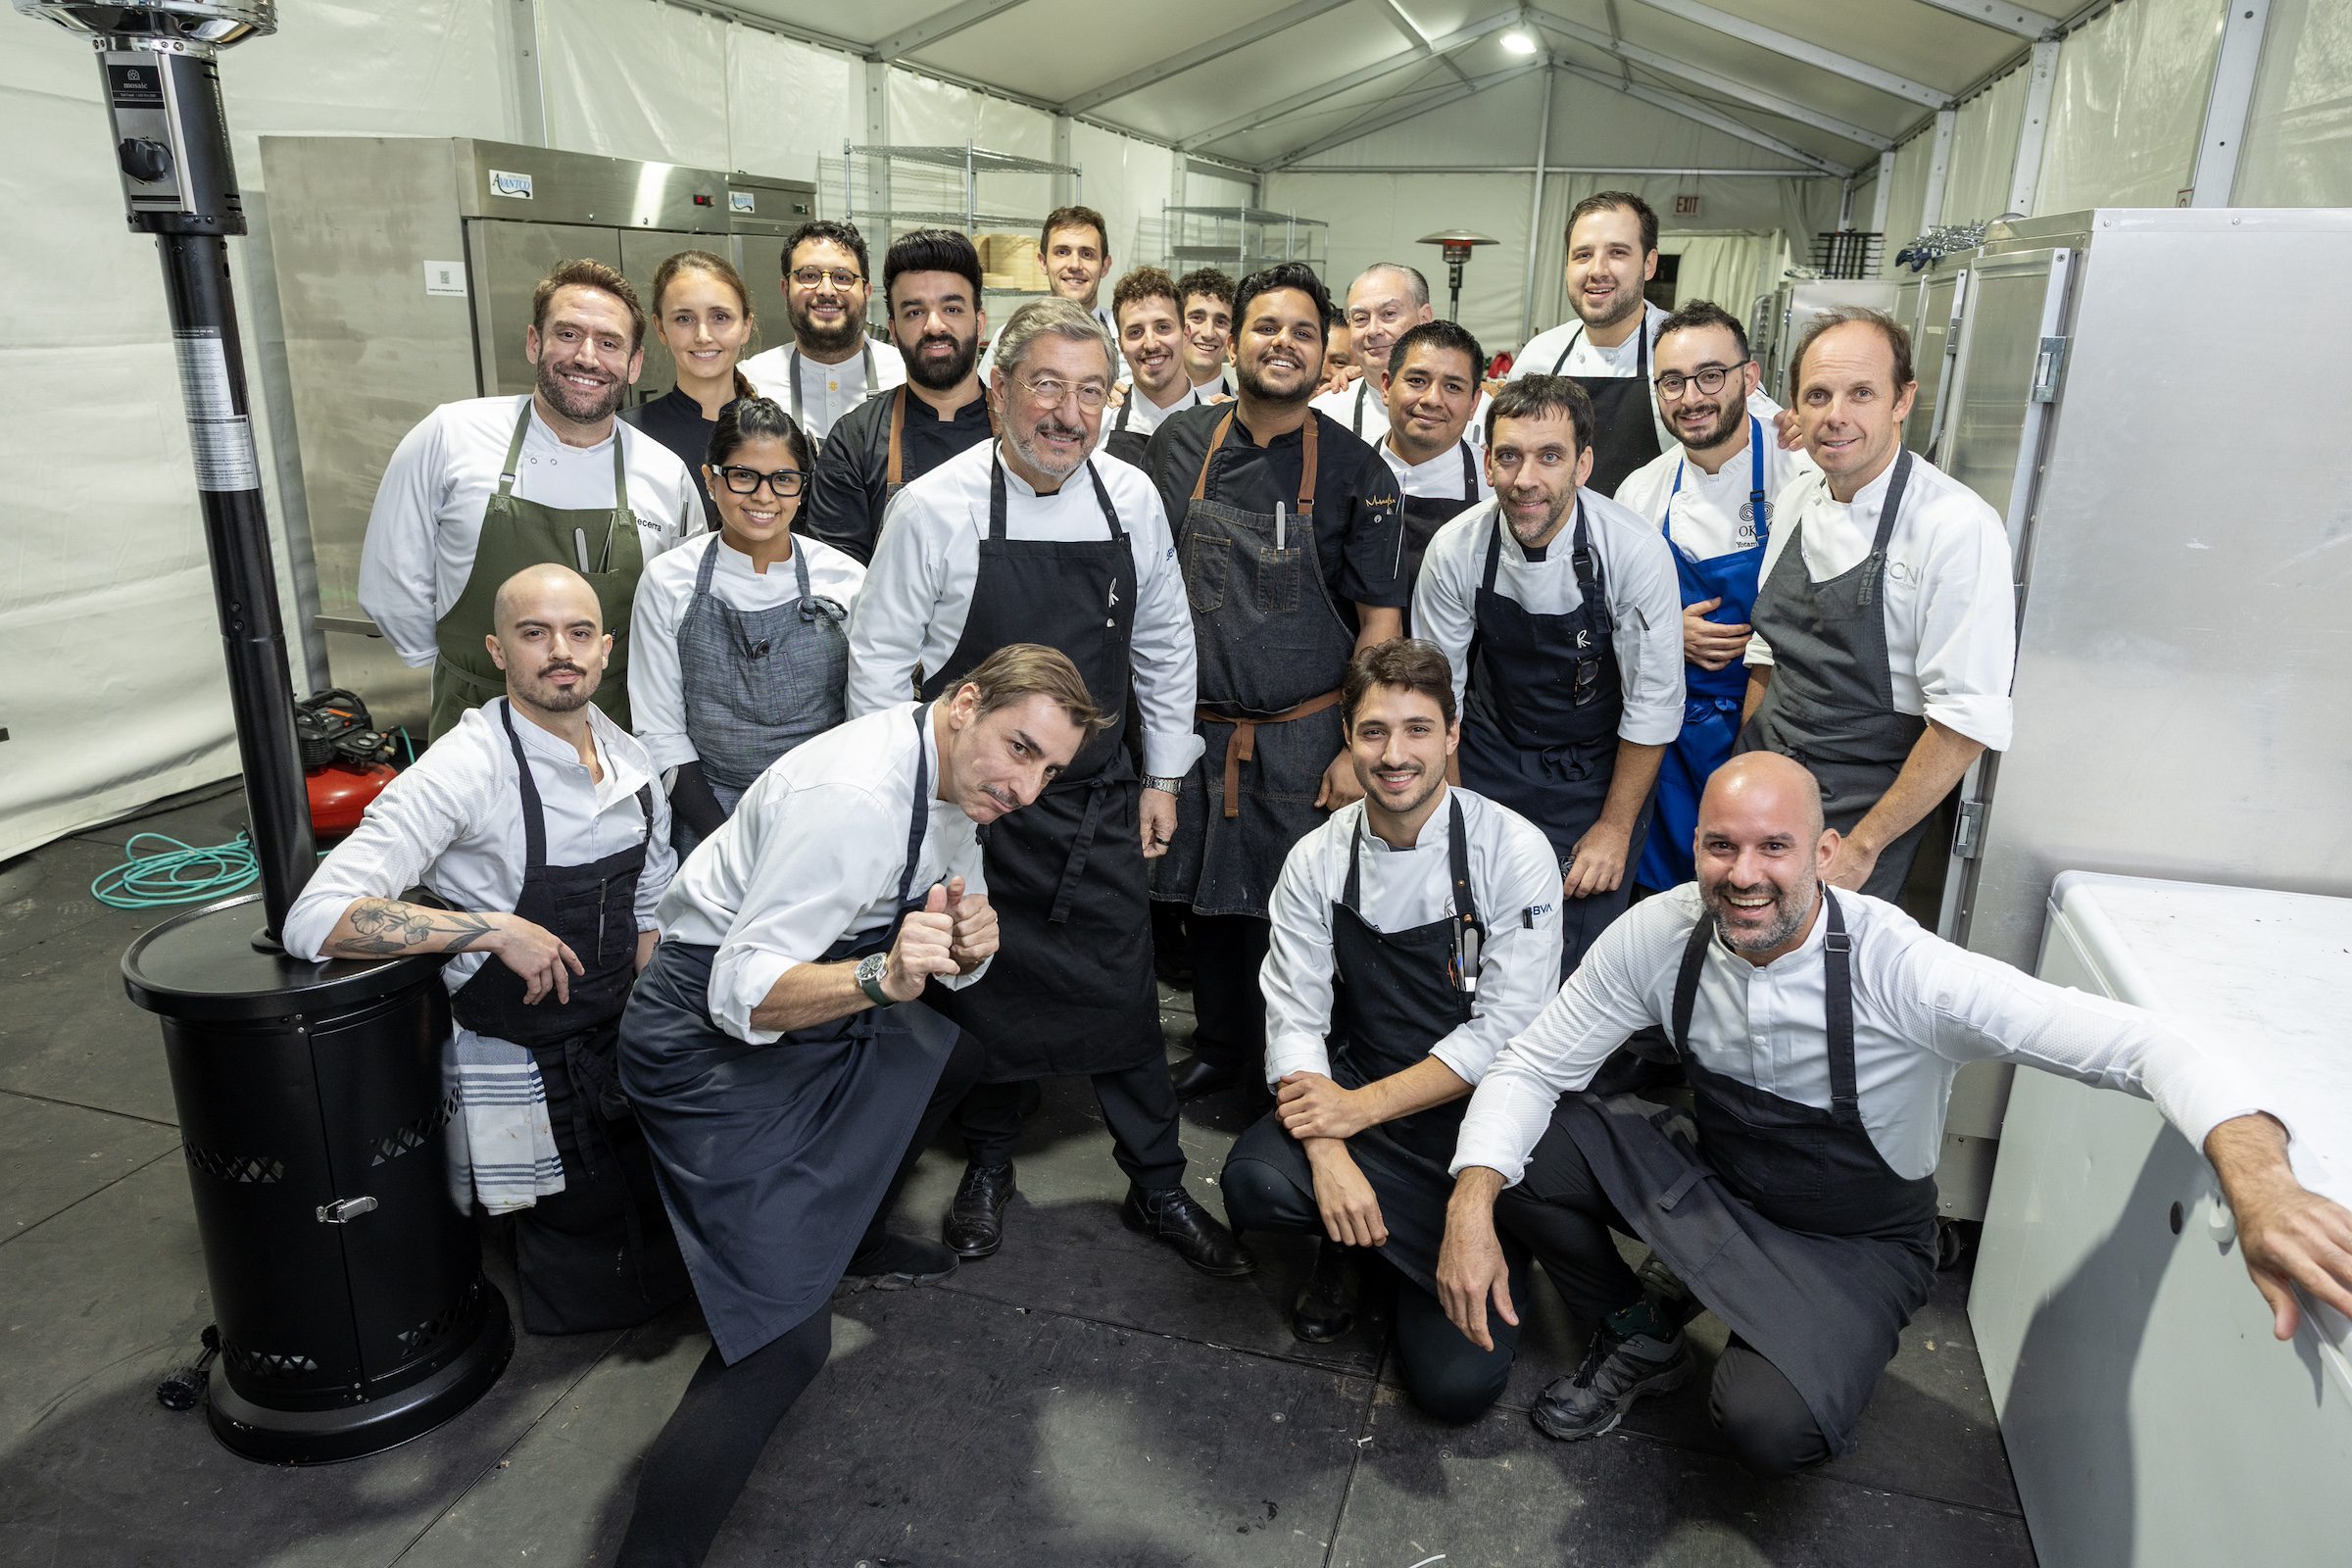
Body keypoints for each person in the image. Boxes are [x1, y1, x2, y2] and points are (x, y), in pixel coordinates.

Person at [1436, 750, 2352, 1473]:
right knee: (1520, 1155)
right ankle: (1642, 1328)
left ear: (1825, 854)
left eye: (1773, 847)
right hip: (1721, 1180)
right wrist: (1470, 1204)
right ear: (1695, 848)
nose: (1742, 874)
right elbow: (1529, 1066)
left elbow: (2147, 1046)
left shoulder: (1904, 972)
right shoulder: (1662, 933)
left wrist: (2262, 1186)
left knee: (1765, 1429)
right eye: (1720, 846)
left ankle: (1757, 1313)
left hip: (1855, 1239)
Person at [612, 644, 1083, 1566]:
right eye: (1020, 749)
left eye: (1050, 769)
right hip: (704, 1040)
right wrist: (881, 973)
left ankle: (853, 1236)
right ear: (963, 702)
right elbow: (741, 995)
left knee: (953, 1054)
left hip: (804, 1010)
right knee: (785, 1351)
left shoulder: (955, 781)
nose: (1028, 787)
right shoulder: (858, 800)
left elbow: (948, 925)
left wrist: (972, 942)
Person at [846, 299, 1248, 1275]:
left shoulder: (1129, 498)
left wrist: (1163, 777)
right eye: (1046, 387)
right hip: (971, 816)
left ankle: (1156, 1183)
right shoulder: (933, 509)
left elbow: (1161, 640)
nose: (1068, 413)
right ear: (999, 393)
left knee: (1125, 1001)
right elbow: (876, 665)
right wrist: (902, 809)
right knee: (979, 997)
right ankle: (987, 1167)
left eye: (1089, 391)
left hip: (1094, 804)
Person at [284, 564, 689, 1336]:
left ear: (606, 649)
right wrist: (490, 928)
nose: (559, 652)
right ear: (498, 651)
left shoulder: (633, 762)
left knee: (692, 1199)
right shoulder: (465, 769)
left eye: (577, 633)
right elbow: (316, 918)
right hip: (521, 1053)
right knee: (588, 1259)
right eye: (534, 634)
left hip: (614, 1038)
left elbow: (648, 912)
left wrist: (663, 1039)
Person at [1222, 640, 1561, 1422]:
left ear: (1451, 734)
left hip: (1471, 1122)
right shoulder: (1316, 859)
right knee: (1256, 1183)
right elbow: (1296, 1018)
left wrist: (1356, 1110)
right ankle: (1350, 1248)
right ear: (1347, 734)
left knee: (1455, 1390)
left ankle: (1459, 1242)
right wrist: (1329, 1146)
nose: (1394, 754)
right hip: (1361, 1088)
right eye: (1374, 731)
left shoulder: (1513, 852)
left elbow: (1510, 1032)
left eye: (1417, 729)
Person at [1143, 261, 1408, 1104]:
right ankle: (1221, 1047)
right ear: (1231, 339)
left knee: (1292, 914)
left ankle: (1290, 1067)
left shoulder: (1361, 472)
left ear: (1322, 346)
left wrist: (1354, 748)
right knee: (1208, 907)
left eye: (1301, 331)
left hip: (1305, 734)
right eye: (1266, 327)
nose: (1282, 344)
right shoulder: (1180, 446)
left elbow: (1380, 627)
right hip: (1195, 727)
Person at [1736, 309, 2014, 903]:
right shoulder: (1796, 497)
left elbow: (1964, 724)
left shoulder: (1957, 527)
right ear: (1796, 405)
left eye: (1862, 393)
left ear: (1902, 399)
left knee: (1827, 977)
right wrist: (1747, 768)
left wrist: (1863, 848)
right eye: (1818, 395)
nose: (1836, 417)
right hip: (1768, 780)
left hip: (1865, 805)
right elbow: (1767, 655)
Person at [360, 259, 701, 738]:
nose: (587, 357)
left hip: (613, 727)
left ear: (635, 363)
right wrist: (465, 673)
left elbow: (681, 611)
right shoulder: (451, 435)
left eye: (609, 343)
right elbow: (392, 580)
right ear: (533, 342)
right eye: (567, 334)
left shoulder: (665, 474)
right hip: (475, 723)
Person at [1414, 376, 1683, 973]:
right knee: (1473, 936)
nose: (1525, 479)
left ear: (1583, 465)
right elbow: (1438, 696)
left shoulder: (1633, 552)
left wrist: (1614, 828)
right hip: (1487, 758)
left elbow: (1654, 704)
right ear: (1487, 464)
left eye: (1550, 456)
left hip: (1593, 775)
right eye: (1509, 456)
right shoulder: (1458, 549)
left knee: (1575, 959)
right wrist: (1451, 813)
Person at [1616, 301, 1819, 894]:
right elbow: (1611, 617)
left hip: (1773, 725)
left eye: (1711, 375)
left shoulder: (1803, 471)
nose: (1692, 397)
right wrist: (1663, 630)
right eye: (1672, 382)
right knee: (1664, 896)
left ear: (1749, 380)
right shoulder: (1642, 492)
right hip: (1669, 735)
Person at [630, 398, 863, 858]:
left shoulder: (846, 579)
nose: (763, 496)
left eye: (783, 480)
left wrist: (824, 821)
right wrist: (728, 843)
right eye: (743, 476)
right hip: (708, 820)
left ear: (802, 488)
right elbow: (661, 734)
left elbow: (867, 723)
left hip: (826, 817)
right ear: (710, 480)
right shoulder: (667, 580)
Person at [1506, 193, 1777, 497]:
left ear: (1649, 264)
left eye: (1618, 252)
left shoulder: (1686, 347)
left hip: (1663, 532)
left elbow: (1769, 429)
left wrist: (1794, 425)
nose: (1597, 270)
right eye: (1582, 255)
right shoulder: (1541, 354)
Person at [797, 229, 994, 564]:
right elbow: (839, 582)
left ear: (980, 322)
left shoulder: (1025, 433)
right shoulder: (854, 441)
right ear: (893, 328)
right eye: (914, 312)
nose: (934, 326)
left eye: (952, 309)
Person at [619, 250, 758, 526]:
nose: (703, 336)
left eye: (720, 317)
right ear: (660, 329)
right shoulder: (624, 435)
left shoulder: (776, 435)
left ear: (745, 327)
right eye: (684, 319)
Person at [738, 220, 906, 448]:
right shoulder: (750, 382)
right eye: (809, 276)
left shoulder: (906, 375)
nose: (826, 290)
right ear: (785, 289)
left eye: (842, 277)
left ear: (866, 292)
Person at [1375, 319, 1494, 620]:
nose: (1432, 400)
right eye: (1417, 380)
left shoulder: (1494, 485)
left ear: (1473, 403)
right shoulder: (1345, 473)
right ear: (1387, 386)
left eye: (1453, 387)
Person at [1314, 264, 1494, 449]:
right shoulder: (1325, 413)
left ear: (1424, 318)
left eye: (1389, 314)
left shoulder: (1484, 414)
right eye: (1361, 318)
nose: (1373, 331)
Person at [980, 205, 1121, 379]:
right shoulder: (1010, 336)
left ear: (1105, 266)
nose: (1075, 265)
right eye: (1062, 252)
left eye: (1087, 254)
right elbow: (988, 400)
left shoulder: (1128, 339)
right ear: (1043, 262)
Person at [1102, 266, 1207, 467]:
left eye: (1163, 327)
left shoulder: (1220, 422)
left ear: (1186, 335)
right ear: (1121, 346)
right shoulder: (1101, 422)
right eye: (1135, 332)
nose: (1150, 344)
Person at [1177, 266, 1236, 397]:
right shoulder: (1130, 403)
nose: (1208, 333)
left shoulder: (1243, 413)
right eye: (1197, 318)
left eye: (1220, 322)